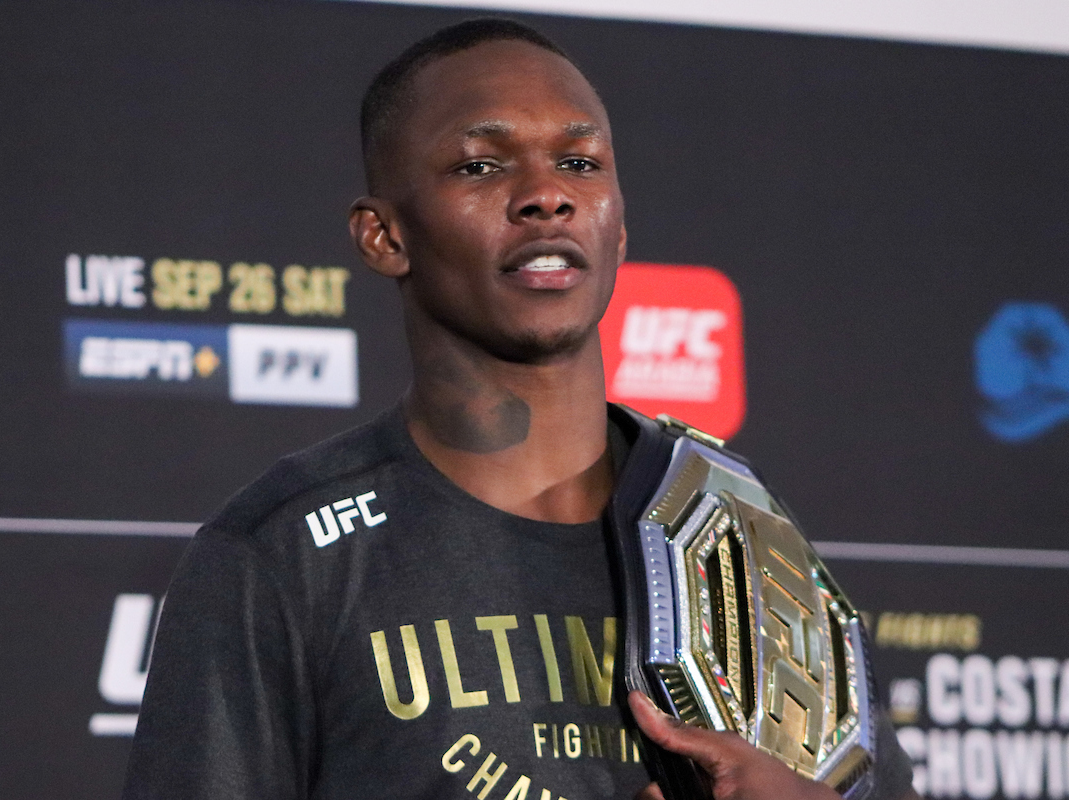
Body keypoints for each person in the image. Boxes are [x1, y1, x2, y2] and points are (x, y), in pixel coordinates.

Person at [123, 19, 917, 800]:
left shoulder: (736, 530)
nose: (546, 196)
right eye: (480, 166)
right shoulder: (283, 555)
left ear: (619, 226)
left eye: (579, 162)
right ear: (384, 237)